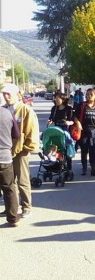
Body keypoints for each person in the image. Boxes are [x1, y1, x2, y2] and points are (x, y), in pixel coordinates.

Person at [2, 84, 39, 218]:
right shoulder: (4, 109)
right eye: (4, 94)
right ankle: (11, 208)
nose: (6, 97)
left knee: (22, 180)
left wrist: (27, 148)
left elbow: (32, 131)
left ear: (17, 95)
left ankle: (26, 206)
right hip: (6, 151)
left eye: (8, 94)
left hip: (21, 150)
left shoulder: (25, 110)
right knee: (8, 182)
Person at [73, 88, 95, 177]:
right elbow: (75, 116)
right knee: (84, 151)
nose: (88, 96)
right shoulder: (82, 105)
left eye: (91, 94)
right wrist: (78, 123)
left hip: (94, 132)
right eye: (87, 94)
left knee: (94, 151)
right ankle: (84, 168)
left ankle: (94, 170)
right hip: (84, 131)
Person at [0, 100, 20, 226]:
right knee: (9, 188)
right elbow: (16, 134)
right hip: (4, 156)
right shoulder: (7, 113)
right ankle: (12, 218)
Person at [48, 91, 74, 171]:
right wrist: (50, 121)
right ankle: (54, 162)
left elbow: (72, 121)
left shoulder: (68, 109)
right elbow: (51, 118)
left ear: (63, 99)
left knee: (67, 146)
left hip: (64, 130)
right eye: (55, 98)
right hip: (56, 129)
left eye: (57, 98)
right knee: (53, 146)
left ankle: (69, 166)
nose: (55, 100)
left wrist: (67, 122)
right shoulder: (54, 108)